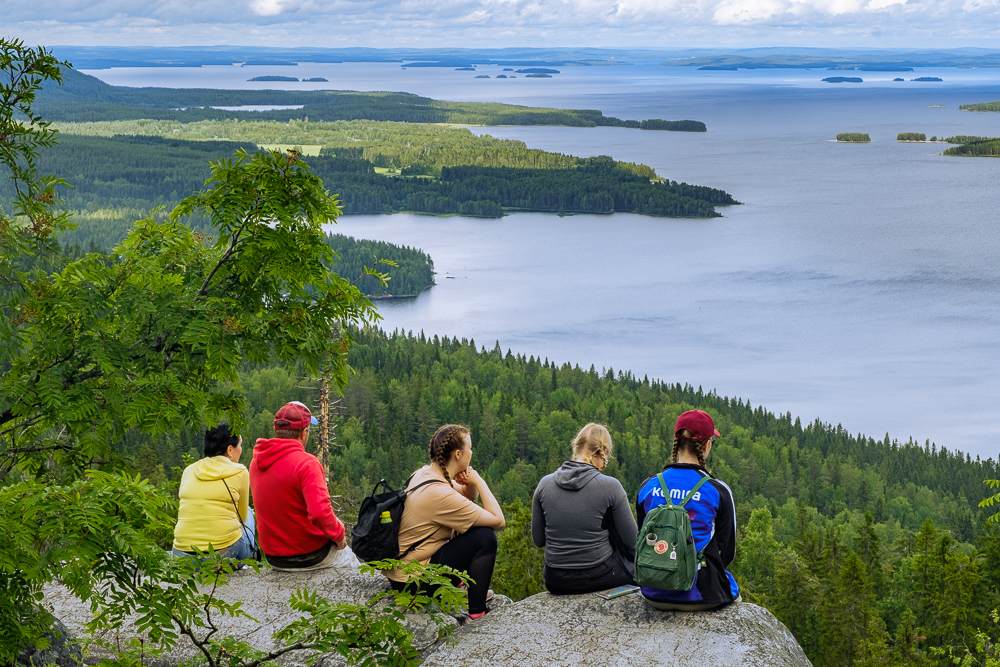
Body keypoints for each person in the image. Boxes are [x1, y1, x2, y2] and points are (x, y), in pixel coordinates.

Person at [385, 424, 505, 620]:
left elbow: (466, 494)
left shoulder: (425, 473)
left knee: (468, 526)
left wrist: (470, 483)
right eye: (470, 447)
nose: (472, 452)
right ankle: (477, 612)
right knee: (485, 537)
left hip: (402, 572)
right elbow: (498, 521)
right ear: (458, 454)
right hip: (414, 582)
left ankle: (457, 587)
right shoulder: (439, 495)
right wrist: (480, 481)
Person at [635, 409, 740, 611]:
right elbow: (727, 552)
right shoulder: (717, 490)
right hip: (702, 595)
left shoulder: (648, 485)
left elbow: (642, 537)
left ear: (677, 443)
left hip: (653, 592)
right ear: (707, 445)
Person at [531, 423, 638, 594]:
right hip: (600, 575)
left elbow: (539, 540)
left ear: (576, 446)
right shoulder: (610, 487)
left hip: (555, 579)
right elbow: (632, 540)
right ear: (603, 451)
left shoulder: (544, 484)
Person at [249, 400, 347, 571]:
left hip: (274, 557)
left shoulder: (256, 462)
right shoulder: (307, 464)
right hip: (311, 556)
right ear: (304, 433)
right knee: (351, 563)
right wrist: (339, 536)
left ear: (277, 430)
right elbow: (319, 513)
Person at [173, 422, 256, 559]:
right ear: (230, 450)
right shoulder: (240, 472)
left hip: (181, 557)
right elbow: (242, 517)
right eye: (239, 445)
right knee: (248, 512)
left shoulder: (189, 470)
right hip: (221, 557)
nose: (240, 449)